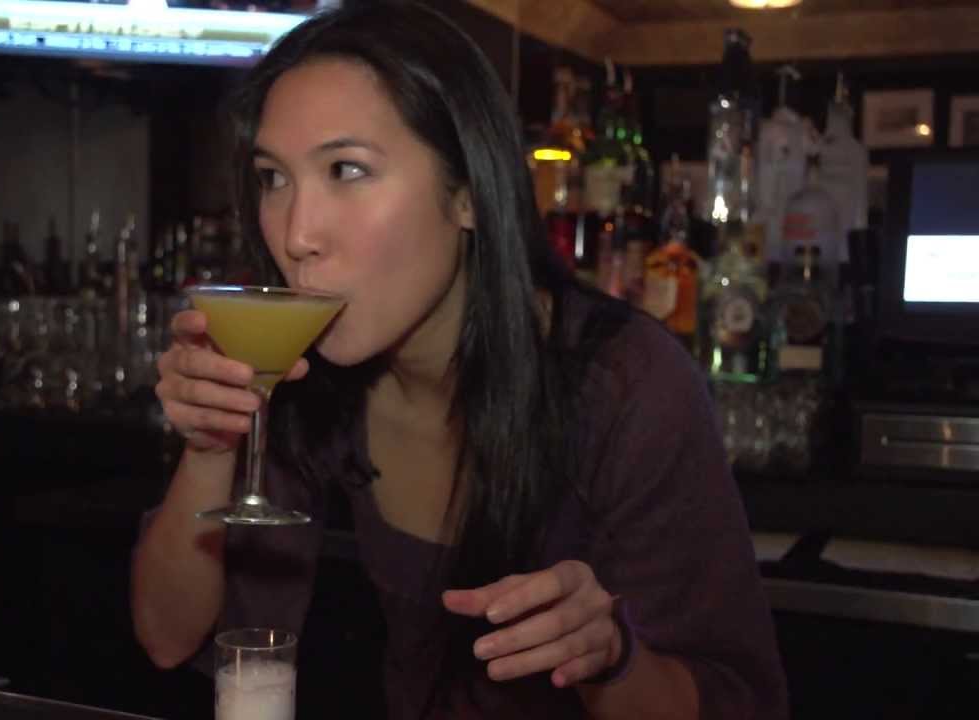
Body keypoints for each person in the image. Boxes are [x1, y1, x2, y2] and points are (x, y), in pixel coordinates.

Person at [131, 2, 788, 717]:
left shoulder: (626, 384)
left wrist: (610, 658)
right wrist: (210, 446)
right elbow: (166, 638)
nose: (296, 235)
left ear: (470, 193)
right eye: (272, 178)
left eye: (347, 169)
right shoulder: (300, 379)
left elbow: (740, 705)